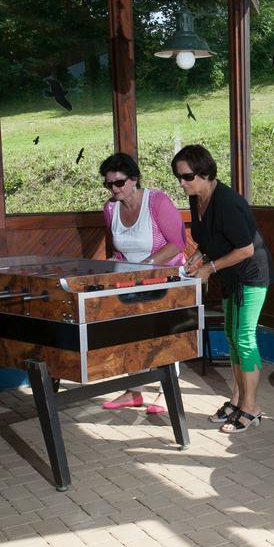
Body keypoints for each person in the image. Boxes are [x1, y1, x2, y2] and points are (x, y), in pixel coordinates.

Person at [174, 144, 274, 434]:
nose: (182, 183)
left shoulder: (227, 202)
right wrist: (197, 258)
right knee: (232, 336)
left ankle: (252, 408)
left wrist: (209, 268)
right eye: (179, 177)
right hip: (229, 274)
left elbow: (244, 249)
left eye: (187, 177)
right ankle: (236, 400)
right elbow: (209, 239)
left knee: (244, 338)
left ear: (205, 173)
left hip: (251, 274)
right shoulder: (198, 197)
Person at [99, 152, 187, 414]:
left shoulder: (157, 201)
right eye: (108, 184)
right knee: (129, 333)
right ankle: (134, 391)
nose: (113, 189)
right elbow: (118, 251)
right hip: (130, 281)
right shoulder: (110, 208)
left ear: (134, 179)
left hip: (165, 276)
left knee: (162, 334)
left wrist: (146, 267)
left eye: (118, 183)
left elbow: (177, 244)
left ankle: (165, 391)